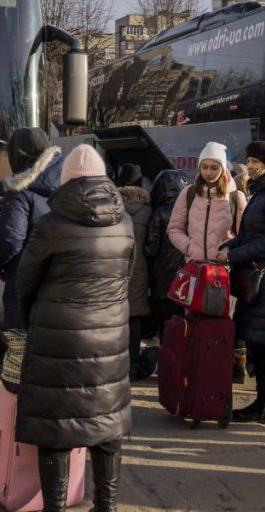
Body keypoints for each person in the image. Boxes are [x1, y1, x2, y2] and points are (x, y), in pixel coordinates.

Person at [14, 144, 134, 512]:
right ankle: (107, 505)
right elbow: (127, 276)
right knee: (107, 426)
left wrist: (33, 316)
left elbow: (25, 282)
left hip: (58, 337)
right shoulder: (125, 221)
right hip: (110, 336)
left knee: (56, 429)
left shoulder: (51, 225)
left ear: (66, 180)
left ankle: (55, 507)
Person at [216, 141, 265, 423]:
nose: (249, 167)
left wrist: (233, 255)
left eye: (253, 162)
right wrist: (230, 245)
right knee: (260, 344)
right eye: (249, 161)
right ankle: (262, 404)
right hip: (258, 276)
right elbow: (251, 234)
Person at [166, 142, 247, 379]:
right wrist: (189, 246)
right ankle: (193, 370)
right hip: (193, 271)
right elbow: (174, 229)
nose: (209, 172)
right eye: (204, 167)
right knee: (193, 323)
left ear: (223, 168)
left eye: (214, 167)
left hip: (222, 274)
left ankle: (220, 371)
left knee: (222, 323)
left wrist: (229, 252)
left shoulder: (236, 197)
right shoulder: (188, 193)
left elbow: (244, 236)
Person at [0, 128, 61, 329]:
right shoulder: (70, 179)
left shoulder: (19, 188)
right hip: (63, 275)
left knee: (19, 347)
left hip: (24, 276)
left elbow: (11, 239)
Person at [144, 169, 188, 364]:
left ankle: (167, 362)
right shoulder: (188, 210)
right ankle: (181, 360)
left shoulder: (159, 213)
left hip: (162, 277)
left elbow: (150, 249)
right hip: (185, 276)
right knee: (182, 321)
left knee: (165, 322)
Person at [116, 163, 153, 381]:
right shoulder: (147, 209)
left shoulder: (113, 205)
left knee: (114, 317)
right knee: (135, 316)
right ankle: (132, 363)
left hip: (116, 267)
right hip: (140, 269)